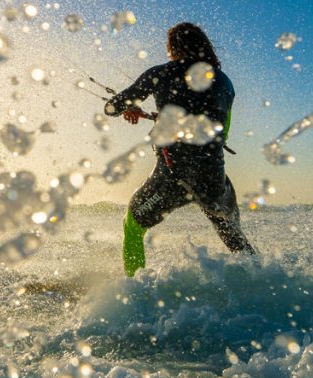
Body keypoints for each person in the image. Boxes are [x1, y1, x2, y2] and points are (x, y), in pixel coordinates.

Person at [104, 22, 256, 276]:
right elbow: (221, 131)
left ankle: (134, 291)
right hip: (214, 178)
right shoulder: (225, 83)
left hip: (172, 177)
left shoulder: (161, 72)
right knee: (234, 238)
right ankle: (261, 279)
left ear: (173, 48)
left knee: (133, 226)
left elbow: (111, 107)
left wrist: (128, 108)